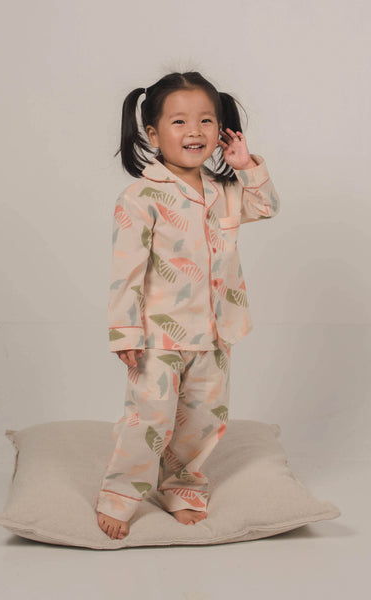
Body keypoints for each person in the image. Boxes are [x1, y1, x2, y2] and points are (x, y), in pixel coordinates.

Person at [96, 71, 280, 540]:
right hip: (158, 336)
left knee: (203, 420)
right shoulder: (140, 197)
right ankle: (120, 494)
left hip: (217, 330)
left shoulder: (224, 191)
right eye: (179, 121)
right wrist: (125, 331)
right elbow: (127, 272)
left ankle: (181, 487)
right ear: (153, 134)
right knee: (150, 418)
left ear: (220, 130)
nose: (194, 131)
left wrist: (245, 165)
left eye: (205, 120)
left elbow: (266, 206)